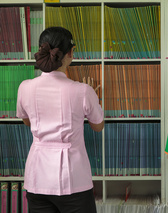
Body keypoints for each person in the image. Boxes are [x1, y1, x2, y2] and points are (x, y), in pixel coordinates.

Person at [16, 26, 104, 213]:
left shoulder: (25, 87)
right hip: (74, 180)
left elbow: (27, 121)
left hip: (37, 178)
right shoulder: (83, 91)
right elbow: (98, 126)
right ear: (70, 53)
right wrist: (93, 98)